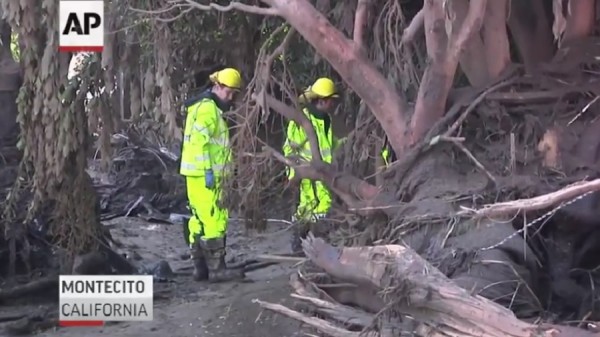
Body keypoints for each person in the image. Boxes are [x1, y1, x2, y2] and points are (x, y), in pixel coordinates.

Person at [180, 67, 244, 282]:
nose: (231, 97)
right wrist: (208, 171)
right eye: (229, 92)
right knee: (215, 219)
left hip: (196, 174)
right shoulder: (208, 109)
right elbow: (200, 142)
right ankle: (217, 269)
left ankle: (201, 268)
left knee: (199, 219)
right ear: (217, 86)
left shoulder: (204, 108)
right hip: (206, 175)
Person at [283, 77, 339, 252]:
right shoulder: (300, 121)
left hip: (324, 173)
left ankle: (307, 243)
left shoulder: (325, 119)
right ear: (322, 100)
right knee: (313, 208)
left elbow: (329, 144)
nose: (333, 104)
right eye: (331, 100)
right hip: (307, 174)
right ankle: (306, 243)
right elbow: (289, 150)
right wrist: (293, 175)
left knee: (315, 207)